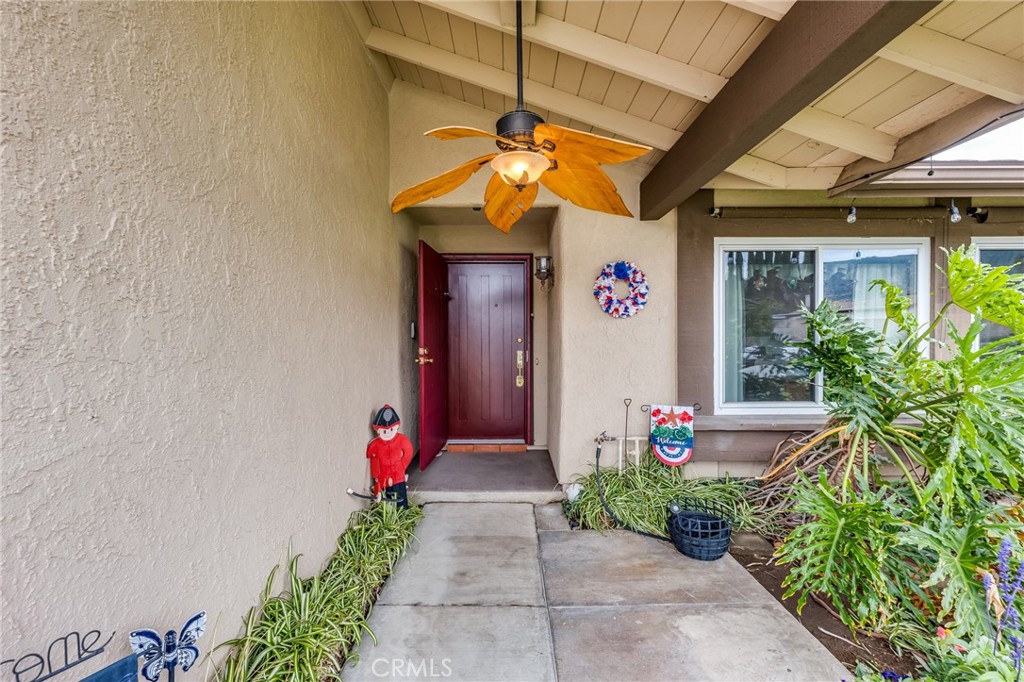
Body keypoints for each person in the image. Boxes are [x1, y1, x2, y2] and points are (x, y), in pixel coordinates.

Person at [365, 404, 413, 508]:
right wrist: (377, 488)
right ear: (378, 430)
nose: (388, 433)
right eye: (384, 431)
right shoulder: (375, 445)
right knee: (388, 498)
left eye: (391, 429)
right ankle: (391, 515)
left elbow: (408, 451)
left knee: (401, 497)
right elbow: (374, 464)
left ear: (396, 427)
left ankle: (402, 513)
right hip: (384, 478)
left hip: (398, 475)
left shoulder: (401, 440)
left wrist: (402, 466)